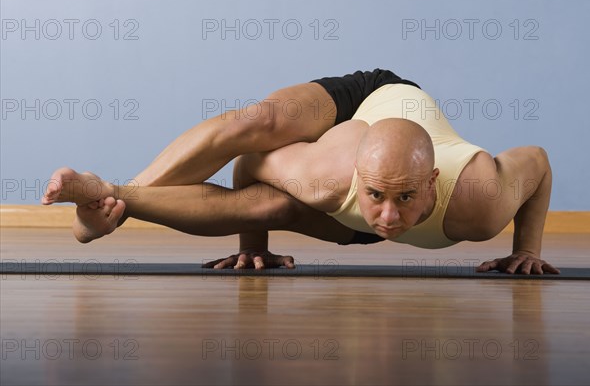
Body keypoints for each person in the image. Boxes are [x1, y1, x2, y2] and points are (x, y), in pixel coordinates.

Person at [42, 70, 559, 275]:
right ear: (359, 178)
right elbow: (248, 161)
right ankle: (108, 198)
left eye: (404, 200)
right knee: (259, 128)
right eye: (377, 195)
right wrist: (254, 244)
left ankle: (106, 202)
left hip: (366, 187)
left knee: (279, 201)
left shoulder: (480, 201)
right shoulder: (326, 173)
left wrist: (526, 250)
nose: (387, 216)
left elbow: (537, 161)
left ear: (432, 187)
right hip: (370, 103)